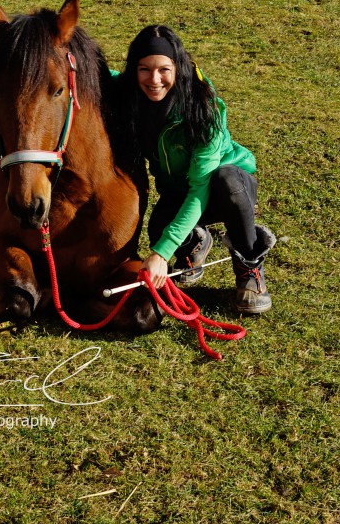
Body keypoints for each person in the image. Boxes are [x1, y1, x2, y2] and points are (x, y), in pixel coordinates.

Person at [112, 24, 274, 314]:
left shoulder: (203, 107)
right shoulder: (129, 94)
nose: (154, 79)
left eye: (164, 69)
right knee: (160, 227)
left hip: (224, 186)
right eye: (144, 69)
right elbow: (97, 75)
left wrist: (161, 254)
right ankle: (197, 242)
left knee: (227, 183)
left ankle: (250, 269)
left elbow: (201, 188)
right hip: (180, 190)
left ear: (179, 67)